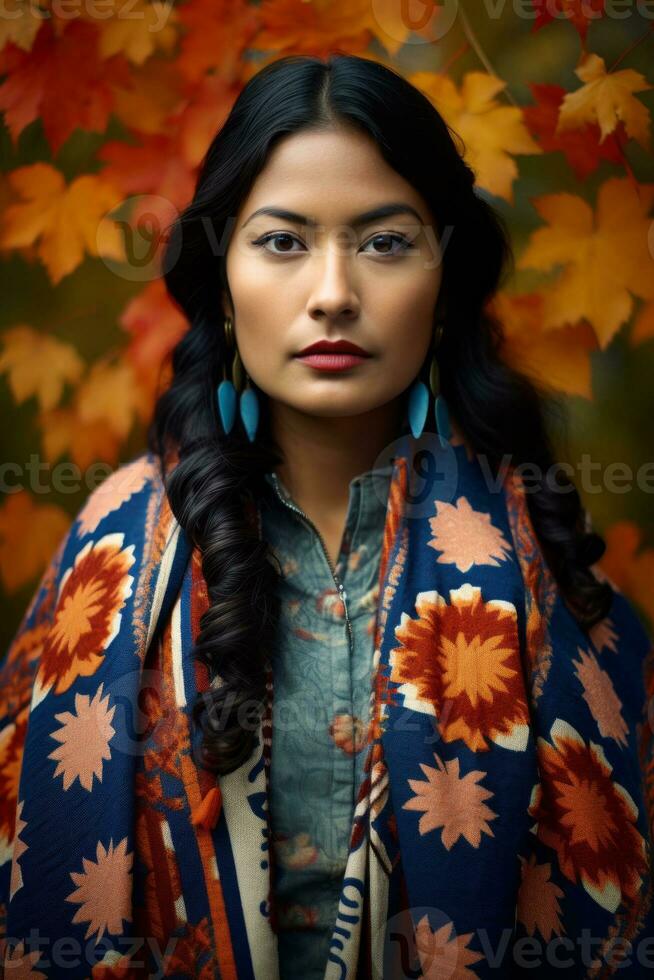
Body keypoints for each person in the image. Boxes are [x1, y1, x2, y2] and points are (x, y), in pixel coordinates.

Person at [1, 52, 653, 979]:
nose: (335, 292)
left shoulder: (534, 552)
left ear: (446, 277)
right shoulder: (118, 550)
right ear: (221, 282)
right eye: (282, 241)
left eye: (386, 242)